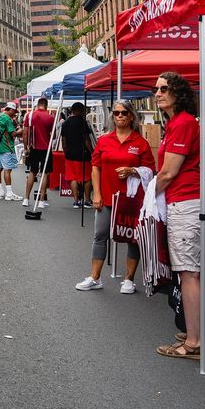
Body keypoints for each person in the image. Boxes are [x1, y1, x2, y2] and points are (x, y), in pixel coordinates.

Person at [74, 98, 153, 294]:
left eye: (124, 113)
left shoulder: (140, 142)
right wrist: (97, 194)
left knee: (132, 238)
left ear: (131, 116)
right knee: (100, 235)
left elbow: (151, 170)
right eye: (116, 113)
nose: (119, 116)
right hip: (107, 197)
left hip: (131, 200)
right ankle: (95, 277)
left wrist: (133, 170)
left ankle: (129, 279)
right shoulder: (104, 140)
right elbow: (95, 168)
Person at [152, 72, 203, 360]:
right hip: (180, 201)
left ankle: (194, 341)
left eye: (163, 89)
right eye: (156, 89)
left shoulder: (182, 123)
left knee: (188, 273)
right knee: (189, 272)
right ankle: (196, 332)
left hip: (184, 202)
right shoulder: (176, 123)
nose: (157, 93)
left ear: (177, 93)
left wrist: (149, 193)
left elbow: (170, 171)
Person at [23, 97, 54, 208]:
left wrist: (25, 148)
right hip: (46, 147)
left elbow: (25, 132)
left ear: (37, 104)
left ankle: (26, 198)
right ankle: (41, 200)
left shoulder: (29, 115)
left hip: (33, 147)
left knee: (32, 172)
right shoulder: (50, 117)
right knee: (44, 173)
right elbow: (53, 135)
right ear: (46, 105)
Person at [61, 103, 94, 208]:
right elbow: (86, 139)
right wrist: (92, 152)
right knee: (87, 177)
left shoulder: (66, 123)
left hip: (70, 154)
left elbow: (63, 139)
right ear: (79, 110)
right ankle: (87, 200)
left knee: (73, 178)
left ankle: (76, 201)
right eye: (83, 110)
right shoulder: (82, 122)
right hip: (83, 154)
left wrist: (66, 151)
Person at [0, 103, 22, 201]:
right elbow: (13, 133)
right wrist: (20, 130)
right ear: (10, 109)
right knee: (7, 169)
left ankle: (0, 192)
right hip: (6, 146)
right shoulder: (7, 118)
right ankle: (9, 194)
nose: (14, 114)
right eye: (14, 112)